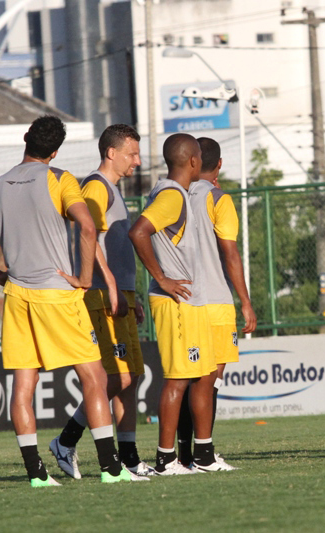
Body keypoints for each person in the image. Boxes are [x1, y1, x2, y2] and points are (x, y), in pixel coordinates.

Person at [0, 115, 132, 486]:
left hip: (17, 295)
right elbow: (85, 223)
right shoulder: (59, 178)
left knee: (23, 386)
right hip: (57, 294)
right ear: (55, 151)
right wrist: (83, 277)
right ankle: (111, 469)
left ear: (25, 139)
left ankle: (36, 473)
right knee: (95, 377)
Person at [49, 124, 153, 478]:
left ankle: (130, 458)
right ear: (112, 153)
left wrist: (130, 292)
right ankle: (66, 440)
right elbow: (88, 237)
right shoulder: (95, 186)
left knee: (132, 375)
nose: (137, 161)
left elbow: (116, 247)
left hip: (119, 292)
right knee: (117, 377)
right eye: (132, 154)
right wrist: (109, 284)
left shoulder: (111, 189)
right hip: (100, 294)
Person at [128, 133, 222, 474]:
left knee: (202, 375)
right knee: (179, 380)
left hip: (188, 299)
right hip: (175, 301)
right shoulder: (171, 196)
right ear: (194, 161)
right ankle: (166, 459)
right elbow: (138, 231)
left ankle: (202, 456)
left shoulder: (175, 192)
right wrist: (163, 278)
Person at [176, 137, 257, 469]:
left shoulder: (174, 195)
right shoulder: (219, 199)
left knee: (187, 379)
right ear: (218, 165)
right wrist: (246, 302)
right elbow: (230, 253)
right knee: (211, 381)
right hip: (215, 300)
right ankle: (205, 453)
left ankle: (182, 454)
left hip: (182, 298)